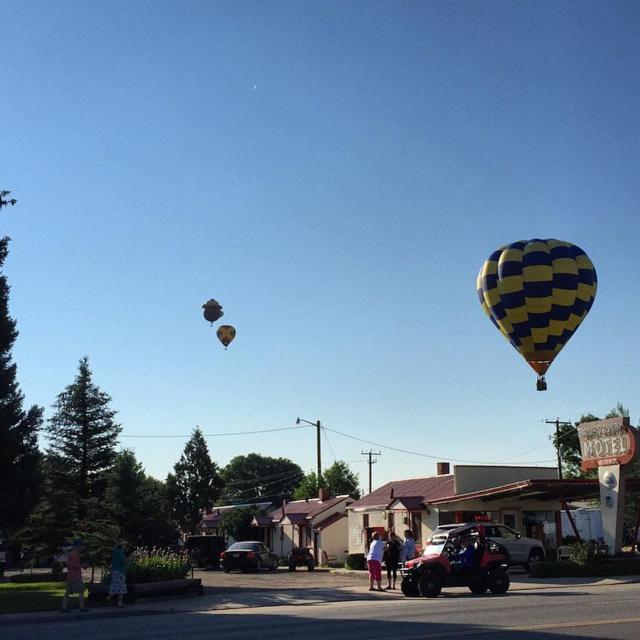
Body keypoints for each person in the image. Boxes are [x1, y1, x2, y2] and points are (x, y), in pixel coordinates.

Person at [62, 540, 87, 612]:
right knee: (81, 590)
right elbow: (72, 565)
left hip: (71, 576)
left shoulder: (73, 554)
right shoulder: (73, 554)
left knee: (67, 592)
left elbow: (69, 563)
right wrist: (82, 565)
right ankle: (82, 607)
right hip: (75, 576)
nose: (82, 548)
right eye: (81, 546)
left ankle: (64, 607)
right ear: (77, 546)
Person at [109, 542, 128, 607]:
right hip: (120, 572)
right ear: (122, 546)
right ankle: (119, 603)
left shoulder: (115, 552)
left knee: (114, 585)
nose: (125, 546)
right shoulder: (120, 553)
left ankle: (109, 597)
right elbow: (123, 562)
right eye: (124, 545)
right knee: (122, 587)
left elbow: (114, 548)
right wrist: (130, 557)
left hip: (114, 571)